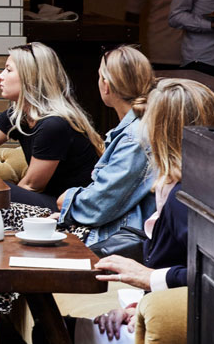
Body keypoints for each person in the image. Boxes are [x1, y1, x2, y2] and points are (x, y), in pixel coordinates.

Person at [86, 78, 214, 342]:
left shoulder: (184, 196)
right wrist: (136, 308)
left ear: (160, 128)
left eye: (147, 117)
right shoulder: (192, 183)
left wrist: (149, 277)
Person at [0, 42, 102, 210]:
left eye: (8, 70)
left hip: (69, 208)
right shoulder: (20, 115)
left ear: (30, 77)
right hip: (48, 200)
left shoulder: (54, 124)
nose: (0, 76)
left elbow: (32, 186)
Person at [56, 45, 157, 244]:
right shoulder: (137, 128)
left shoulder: (135, 136)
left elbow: (99, 205)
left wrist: (69, 200)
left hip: (112, 239)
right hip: (106, 229)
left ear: (106, 85)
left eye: (99, 76)